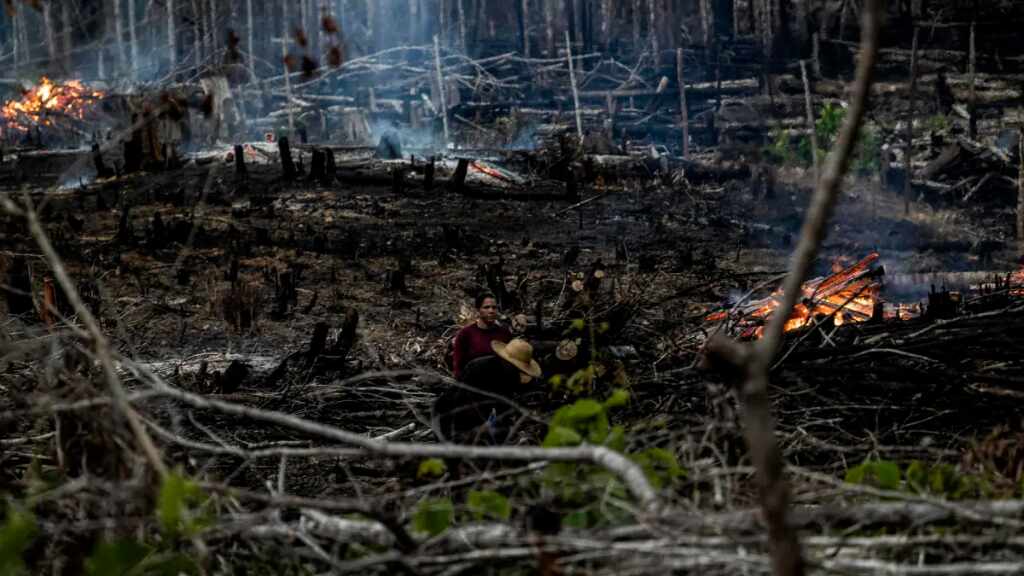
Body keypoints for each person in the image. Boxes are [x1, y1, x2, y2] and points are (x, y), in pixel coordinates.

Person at [433, 338, 543, 445]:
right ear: (506, 361)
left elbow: (508, 401)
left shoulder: (511, 374)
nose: (519, 371)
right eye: (517, 367)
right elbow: (467, 405)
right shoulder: (478, 369)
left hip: (484, 415)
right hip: (453, 416)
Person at [451, 293, 512, 380]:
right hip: (474, 382)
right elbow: (458, 366)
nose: (491, 311)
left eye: (494, 307)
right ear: (478, 310)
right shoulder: (465, 334)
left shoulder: (504, 333)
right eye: (486, 307)